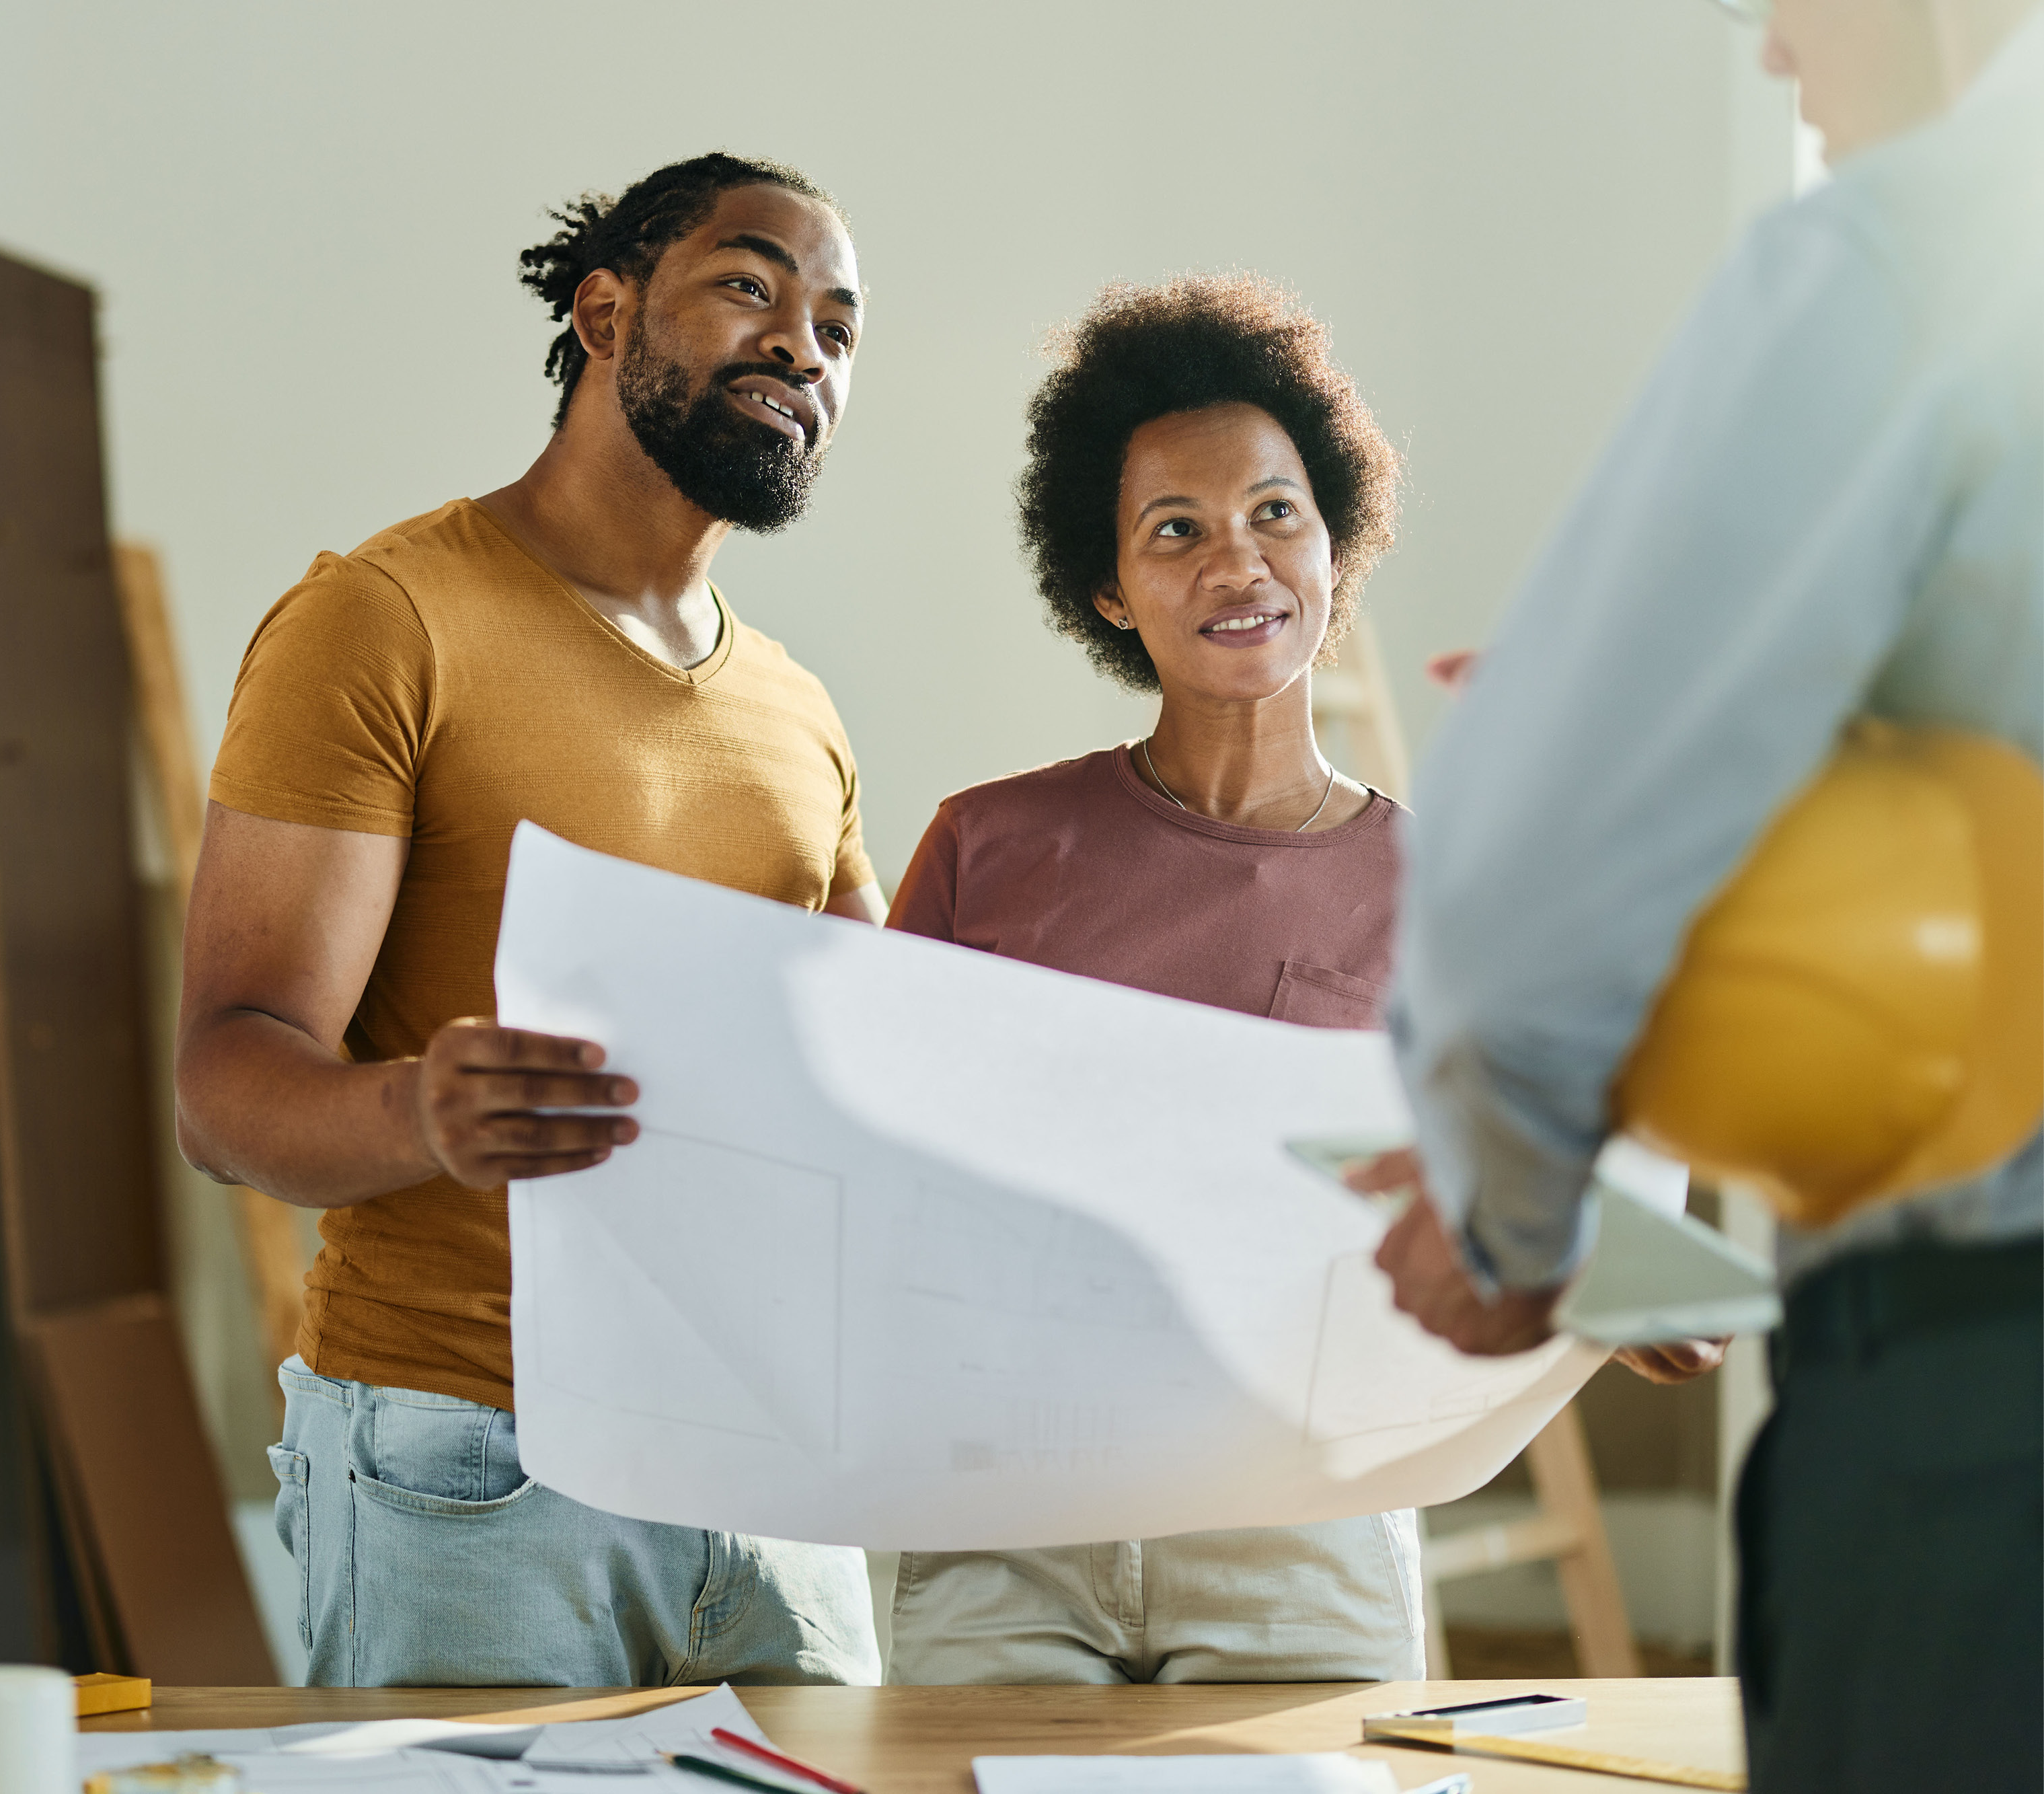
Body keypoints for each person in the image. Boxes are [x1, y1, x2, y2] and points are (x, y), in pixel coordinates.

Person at [1365, 0, 2041, 1784]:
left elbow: (1520, 906)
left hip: (1982, 1441)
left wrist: (1507, 1221)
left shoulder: (1904, 257)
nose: (1770, 55)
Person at [874, 276, 1716, 1686]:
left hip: (1301, 1531)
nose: (1237, 562)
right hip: (1009, 1516)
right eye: (1174, 530)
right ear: (1106, 587)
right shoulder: (987, 843)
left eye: (1275, 512)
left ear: (1334, 544)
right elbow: (874, 1161)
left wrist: (1623, 1293)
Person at [176, 152, 882, 1688]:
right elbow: (223, 1089)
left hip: (767, 1458)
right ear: (604, 314)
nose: (801, 346)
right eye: (749, 286)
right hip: (473, 1453)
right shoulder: (382, 622)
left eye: (838, 327)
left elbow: (863, 1068)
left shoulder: (798, 713)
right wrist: (421, 1110)